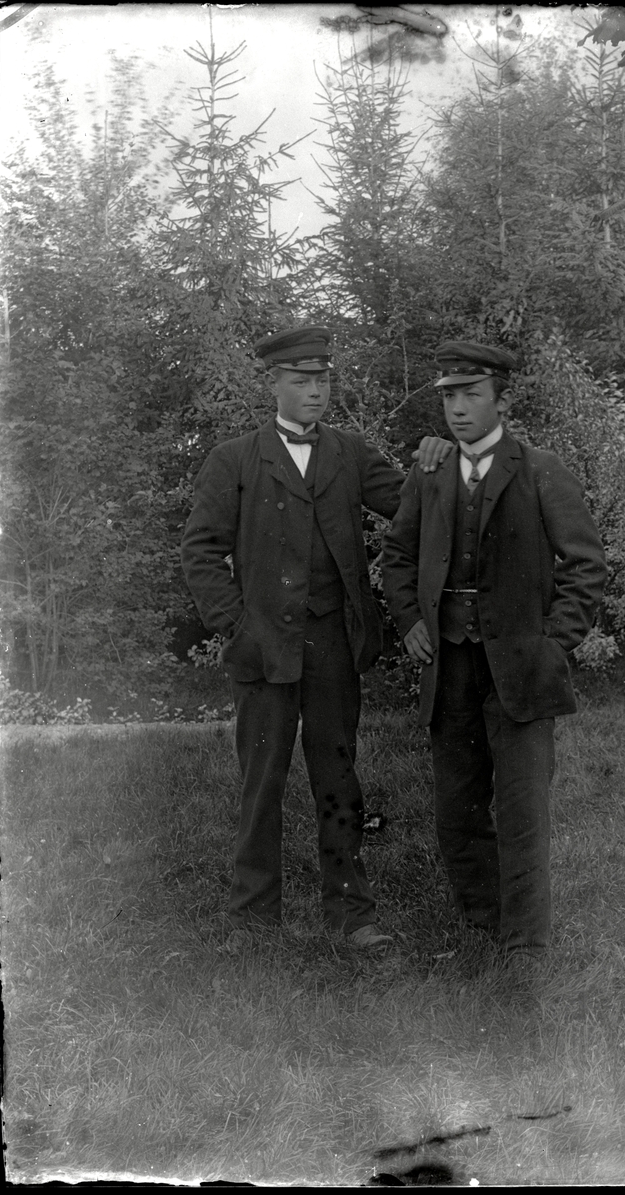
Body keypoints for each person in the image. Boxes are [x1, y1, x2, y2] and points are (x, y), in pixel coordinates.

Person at [181, 325, 451, 951]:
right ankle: (253, 918)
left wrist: (435, 462)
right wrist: (236, 626)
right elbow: (200, 552)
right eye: (301, 380)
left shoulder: (350, 453)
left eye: (323, 380)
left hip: (334, 644)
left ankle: (352, 914)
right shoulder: (234, 459)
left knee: (339, 778)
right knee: (261, 782)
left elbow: (410, 504)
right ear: (273, 384)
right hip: (263, 649)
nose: (315, 391)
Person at [382, 340, 607, 971]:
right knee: (456, 808)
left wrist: (553, 642)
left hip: (521, 667)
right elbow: (397, 556)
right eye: (449, 397)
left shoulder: (540, 470)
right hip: (449, 663)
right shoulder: (430, 473)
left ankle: (526, 943)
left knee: (522, 806)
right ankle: (484, 921)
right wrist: (409, 621)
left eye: (471, 395)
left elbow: (586, 565)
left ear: (502, 402)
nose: (457, 408)